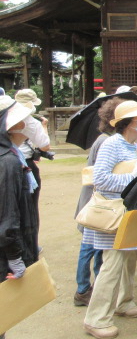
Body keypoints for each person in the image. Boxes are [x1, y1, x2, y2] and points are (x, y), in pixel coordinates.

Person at [83, 100, 137, 339]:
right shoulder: (112, 144)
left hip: (126, 212)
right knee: (112, 264)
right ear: (130, 123)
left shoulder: (133, 144)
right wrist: (134, 181)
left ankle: (124, 302)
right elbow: (100, 179)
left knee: (128, 259)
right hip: (112, 213)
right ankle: (96, 319)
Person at [73, 97, 125, 307]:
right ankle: (83, 289)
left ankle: (86, 287)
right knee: (89, 246)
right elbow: (100, 176)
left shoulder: (105, 139)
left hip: (95, 199)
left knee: (92, 246)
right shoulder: (106, 141)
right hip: (97, 201)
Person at [0, 98, 39, 327]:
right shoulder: (7, 162)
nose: (26, 124)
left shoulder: (13, 155)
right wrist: (16, 258)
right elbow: (7, 217)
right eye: (21, 120)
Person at [14, 89, 51, 227]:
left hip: (7, 161)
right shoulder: (31, 122)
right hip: (27, 165)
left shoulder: (5, 117)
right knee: (30, 207)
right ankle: (32, 245)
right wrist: (44, 127)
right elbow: (45, 146)